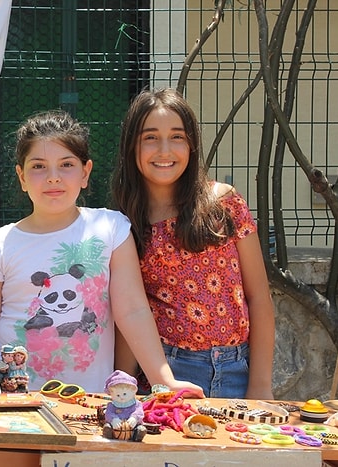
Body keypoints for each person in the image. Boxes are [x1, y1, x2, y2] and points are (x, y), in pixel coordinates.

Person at [0, 110, 204, 397]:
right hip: (18, 409)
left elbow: (133, 310)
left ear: (85, 173)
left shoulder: (111, 228)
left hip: (93, 408)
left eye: (66, 164)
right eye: (39, 166)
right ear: (22, 176)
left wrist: (164, 382)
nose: (53, 177)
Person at [110, 88, 275, 399]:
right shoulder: (124, 224)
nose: (164, 150)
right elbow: (129, 312)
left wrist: (260, 385)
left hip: (238, 371)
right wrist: (123, 384)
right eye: (150, 137)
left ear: (192, 144)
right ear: (131, 145)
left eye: (177, 136)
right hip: (168, 375)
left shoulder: (224, 203)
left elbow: (259, 298)